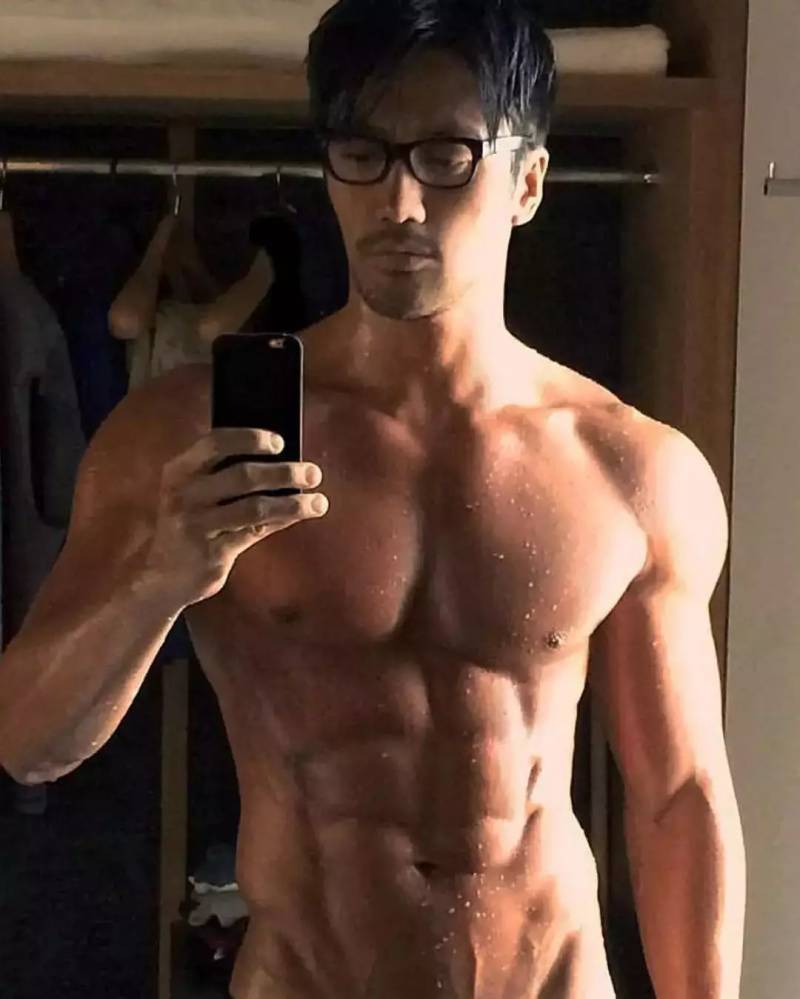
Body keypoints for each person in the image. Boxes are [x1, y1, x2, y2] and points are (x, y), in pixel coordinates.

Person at [0, 1, 745, 996]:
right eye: (363, 155)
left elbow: (678, 796)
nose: (398, 201)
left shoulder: (629, 469)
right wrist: (158, 580)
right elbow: (29, 745)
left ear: (528, 181)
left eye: (446, 157)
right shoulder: (178, 437)